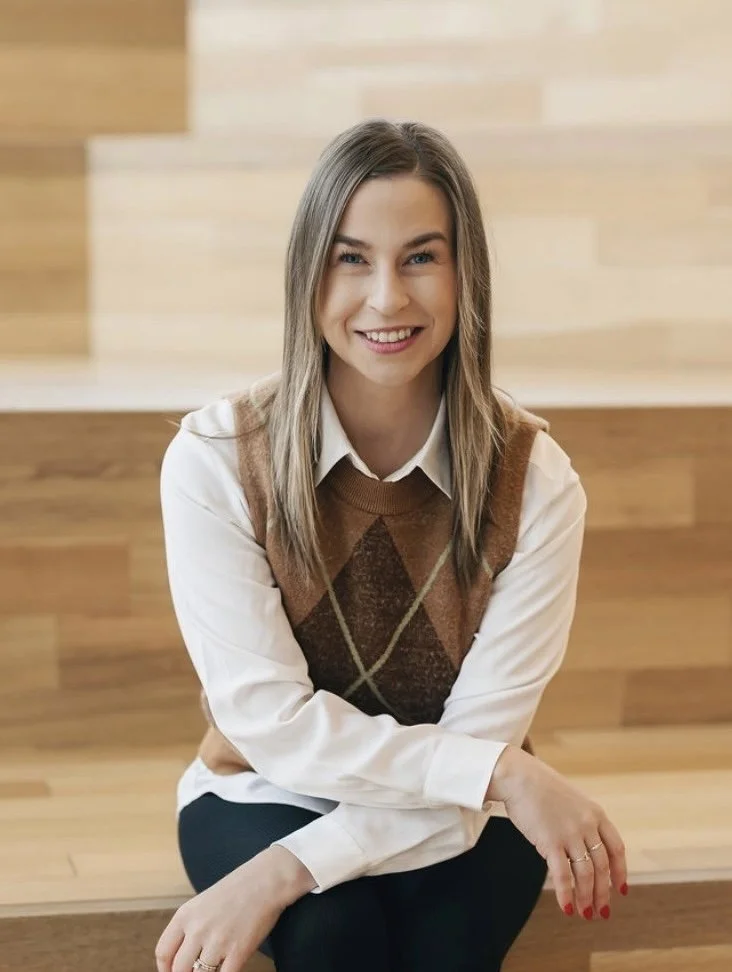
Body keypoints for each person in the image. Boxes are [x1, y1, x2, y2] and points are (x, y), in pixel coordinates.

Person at [155, 118, 628, 972]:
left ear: (463, 273)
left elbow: (481, 744)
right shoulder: (218, 459)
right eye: (351, 258)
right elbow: (276, 730)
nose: (386, 298)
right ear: (309, 275)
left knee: (440, 945)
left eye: (420, 256)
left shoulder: (537, 483)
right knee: (338, 940)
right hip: (266, 789)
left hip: (464, 810)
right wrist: (511, 776)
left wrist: (283, 874)